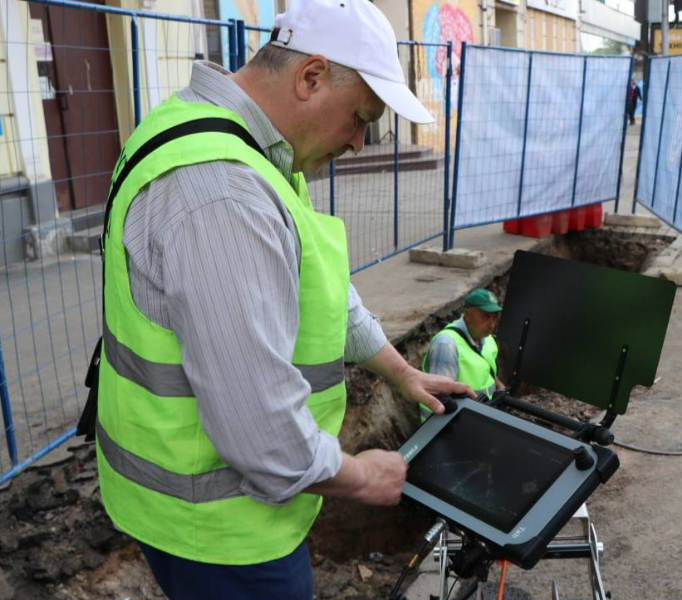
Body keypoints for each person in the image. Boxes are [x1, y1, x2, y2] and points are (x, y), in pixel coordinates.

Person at [94, 1, 472, 598]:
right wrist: (360, 478)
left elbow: (319, 288)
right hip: (219, 533)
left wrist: (401, 373)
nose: (357, 143)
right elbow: (259, 428)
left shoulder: (225, 137)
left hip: (207, 514)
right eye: (358, 118)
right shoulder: (225, 195)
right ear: (311, 77)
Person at [420, 289, 505, 419]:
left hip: (481, 414)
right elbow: (441, 400)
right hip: (451, 426)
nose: (492, 325)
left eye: (495, 318)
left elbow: (486, 369)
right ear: (467, 315)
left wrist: (499, 386)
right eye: (486, 317)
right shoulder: (446, 345)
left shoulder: (486, 338)